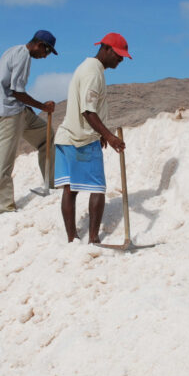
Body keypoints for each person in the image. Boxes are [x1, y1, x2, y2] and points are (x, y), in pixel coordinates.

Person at [53, 33, 131, 243]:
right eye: (118, 55)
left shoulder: (87, 68)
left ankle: (72, 239)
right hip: (82, 141)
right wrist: (109, 136)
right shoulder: (93, 73)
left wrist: (101, 134)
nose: (121, 59)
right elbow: (88, 111)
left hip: (66, 137)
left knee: (70, 189)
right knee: (97, 188)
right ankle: (94, 239)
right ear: (106, 49)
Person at [0, 29, 58, 214]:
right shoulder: (24, 56)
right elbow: (16, 91)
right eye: (47, 51)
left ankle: (50, 183)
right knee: (6, 161)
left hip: (19, 110)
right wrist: (42, 106)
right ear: (40, 45)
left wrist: (30, 108)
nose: (45, 56)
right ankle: (5, 207)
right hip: (9, 113)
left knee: (47, 135)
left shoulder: (14, 50)